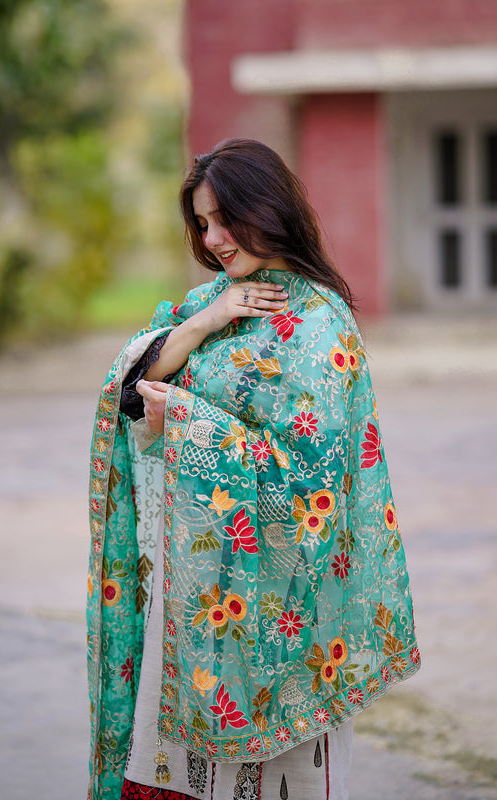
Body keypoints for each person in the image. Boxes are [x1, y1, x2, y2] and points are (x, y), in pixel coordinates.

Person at [87, 139, 420, 800]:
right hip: (190, 596)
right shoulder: (214, 301)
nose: (211, 239)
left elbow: (311, 484)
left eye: (222, 219)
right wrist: (202, 324)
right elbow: (129, 386)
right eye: (201, 223)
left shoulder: (320, 326)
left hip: (281, 599)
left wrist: (185, 423)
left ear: (266, 209)